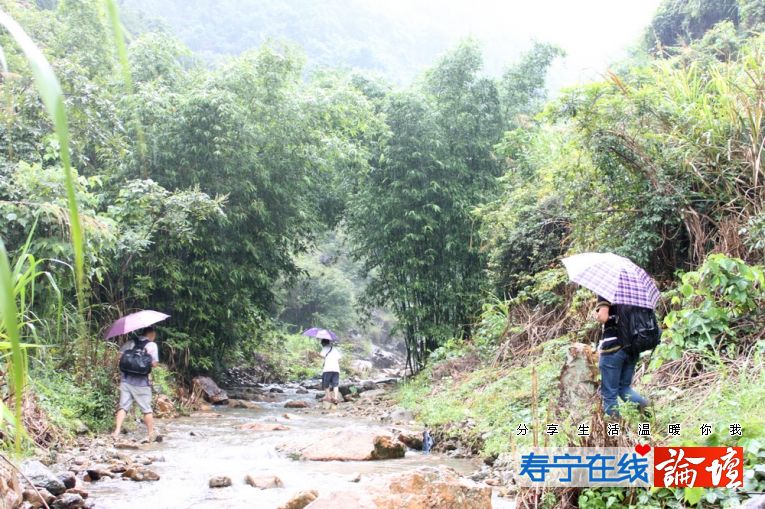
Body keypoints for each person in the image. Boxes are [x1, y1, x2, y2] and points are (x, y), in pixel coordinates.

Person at [595, 298, 649, 417]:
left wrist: (597, 315)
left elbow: (603, 317)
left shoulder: (608, 289)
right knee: (623, 388)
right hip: (633, 347)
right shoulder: (634, 290)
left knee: (609, 394)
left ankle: (615, 432)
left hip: (613, 348)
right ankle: (647, 409)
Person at [112, 327, 160, 441]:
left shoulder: (131, 342)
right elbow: (154, 364)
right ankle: (150, 434)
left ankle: (116, 431)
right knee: (146, 409)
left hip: (126, 380)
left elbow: (118, 356)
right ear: (151, 334)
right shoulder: (151, 345)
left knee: (123, 406)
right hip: (141, 382)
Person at [320, 338, 341, 405]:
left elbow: (321, 355)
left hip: (327, 369)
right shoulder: (334, 349)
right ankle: (335, 397)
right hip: (336, 369)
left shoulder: (324, 348)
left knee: (326, 384)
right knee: (335, 384)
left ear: (323, 343)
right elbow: (339, 358)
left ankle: (328, 397)